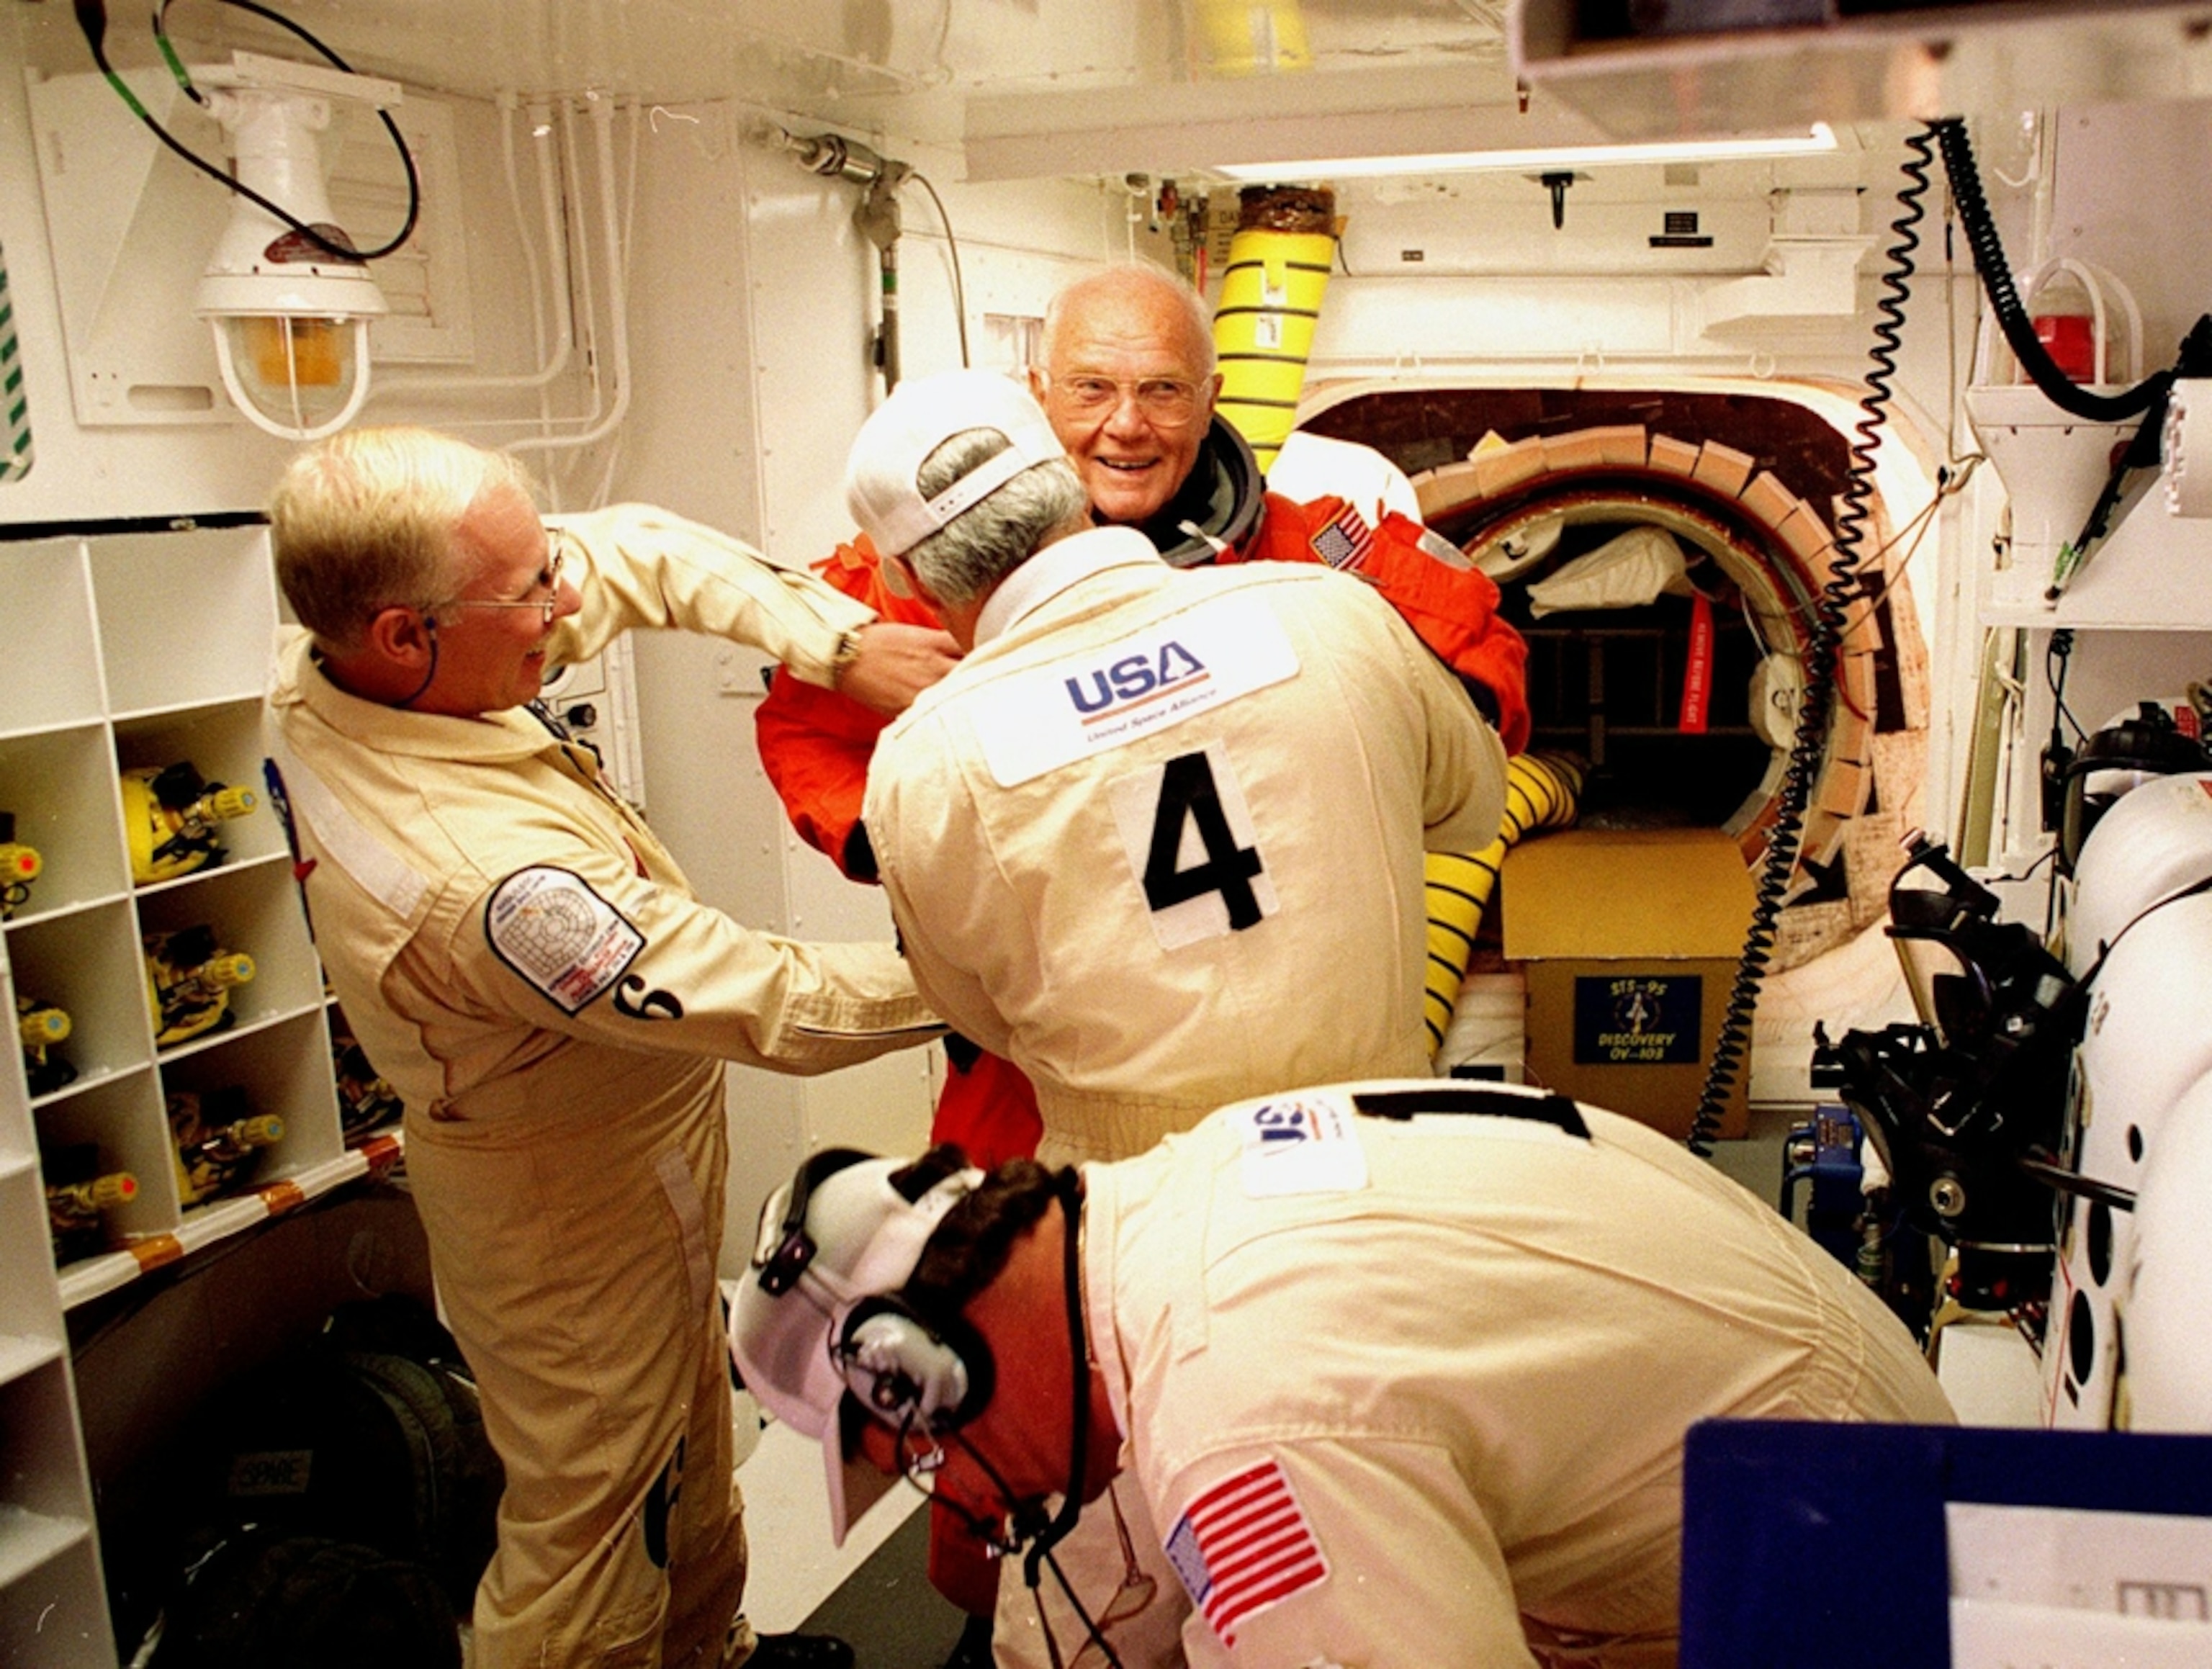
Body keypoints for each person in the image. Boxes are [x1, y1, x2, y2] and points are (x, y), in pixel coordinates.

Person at [833, 368, 1508, 1663]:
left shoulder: (925, 759)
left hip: (1131, 1248)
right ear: (1065, 486)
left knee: (1113, 1575)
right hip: (1368, 1199)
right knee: (1378, 1531)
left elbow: (976, 1009)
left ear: (909, 586)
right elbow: (1467, 804)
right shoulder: (1331, 613)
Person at [263, 426, 948, 1669]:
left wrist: (835, 646)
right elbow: (764, 999)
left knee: (684, 1434)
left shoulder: (356, 658)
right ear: (406, 634)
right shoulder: (478, 879)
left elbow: (635, 549)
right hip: (558, 1199)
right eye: (529, 590)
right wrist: (982, 976)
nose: (563, 599)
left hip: (622, 1140)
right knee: (597, 1519)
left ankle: (707, 1653)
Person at [729, 1079, 1957, 1669]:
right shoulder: (1161, 1210)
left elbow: (1242, 1455)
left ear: (919, 1372)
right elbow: (1121, 1547)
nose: (973, 1510)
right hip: (1813, 1414)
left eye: (932, 1463)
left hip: (1829, 1566)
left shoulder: (1245, 1417)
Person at [752, 261, 1531, 1171]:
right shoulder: (919, 587)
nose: (1126, 424)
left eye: (1162, 391)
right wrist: (943, 842)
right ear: (1039, 396)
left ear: (1211, 401)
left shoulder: (1315, 561)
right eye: (1091, 389)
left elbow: (1478, 650)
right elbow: (803, 725)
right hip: (1048, 1079)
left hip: (1317, 1046)